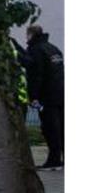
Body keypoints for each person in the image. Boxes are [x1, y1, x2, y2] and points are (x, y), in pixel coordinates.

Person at [26, 24, 64, 169]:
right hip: (61, 93)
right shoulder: (54, 49)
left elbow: (37, 75)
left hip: (46, 97)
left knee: (50, 129)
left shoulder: (36, 50)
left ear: (30, 35)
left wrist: (34, 96)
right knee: (62, 127)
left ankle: (54, 161)